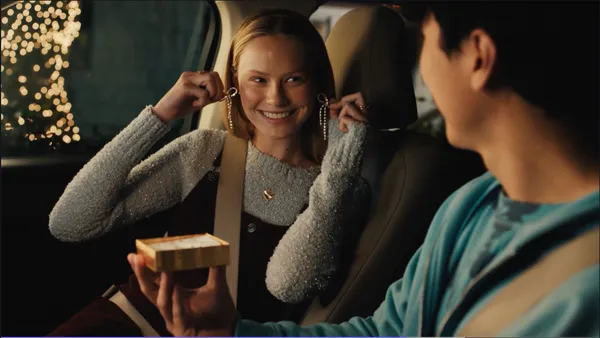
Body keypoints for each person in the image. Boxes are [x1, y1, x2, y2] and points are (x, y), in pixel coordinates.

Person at [130, 1, 600, 336]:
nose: (421, 65)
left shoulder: (582, 280)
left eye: (427, 39)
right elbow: (384, 332)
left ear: (478, 57)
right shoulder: (469, 209)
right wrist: (235, 333)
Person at [48, 9, 370, 336]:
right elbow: (71, 222)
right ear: (235, 84)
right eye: (258, 79)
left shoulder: (340, 187)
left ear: (317, 83)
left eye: (293, 79)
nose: (275, 97)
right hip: (121, 322)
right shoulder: (205, 151)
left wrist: (338, 168)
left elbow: (288, 285)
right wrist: (159, 116)